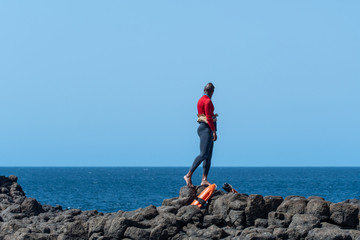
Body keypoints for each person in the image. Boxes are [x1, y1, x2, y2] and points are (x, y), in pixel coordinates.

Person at [184, 83, 218, 188]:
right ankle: (188, 175)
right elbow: (207, 118)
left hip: (204, 128)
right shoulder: (207, 101)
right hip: (206, 129)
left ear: (204, 90)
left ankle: (204, 179)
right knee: (203, 154)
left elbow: (204, 114)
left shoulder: (201, 99)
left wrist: (213, 115)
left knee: (208, 156)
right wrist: (214, 131)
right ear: (212, 91)